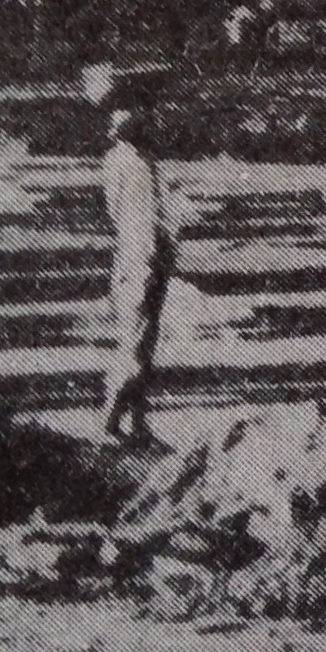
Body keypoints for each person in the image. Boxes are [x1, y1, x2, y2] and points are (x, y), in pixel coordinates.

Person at [99, 101, 178, 448]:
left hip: (138, 258)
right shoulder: (134, 164)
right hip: (140, 260)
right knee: (135, 348)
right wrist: (153, 258)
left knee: (143, 348)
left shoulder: (127, 161)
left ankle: (137, 425)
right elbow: (142, 220)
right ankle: (109, 423)